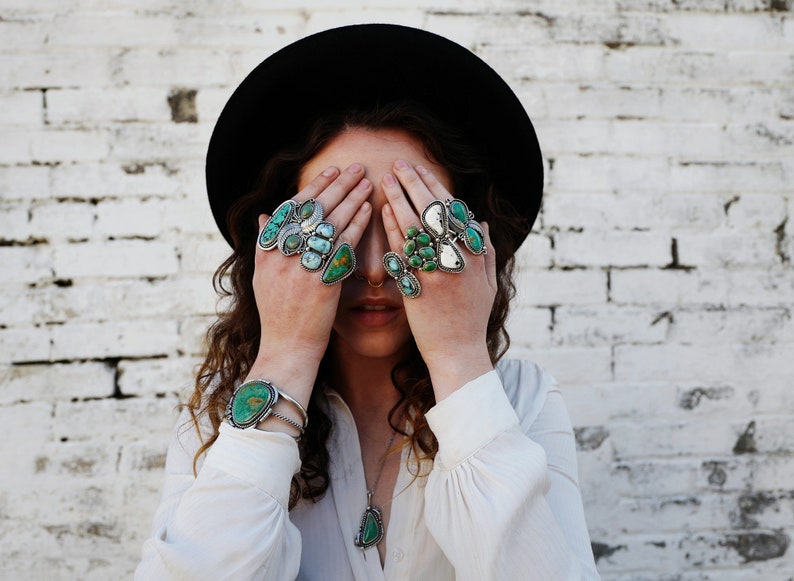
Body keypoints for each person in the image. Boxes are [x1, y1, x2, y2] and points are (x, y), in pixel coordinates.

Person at [136, 24, 600, 580]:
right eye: (339, 226)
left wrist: (457, 355)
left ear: (470, 243)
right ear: (279, 246)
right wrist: (285, 354)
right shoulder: (220, 418)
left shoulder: (523, 400)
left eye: (408, 226)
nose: (377, 267)